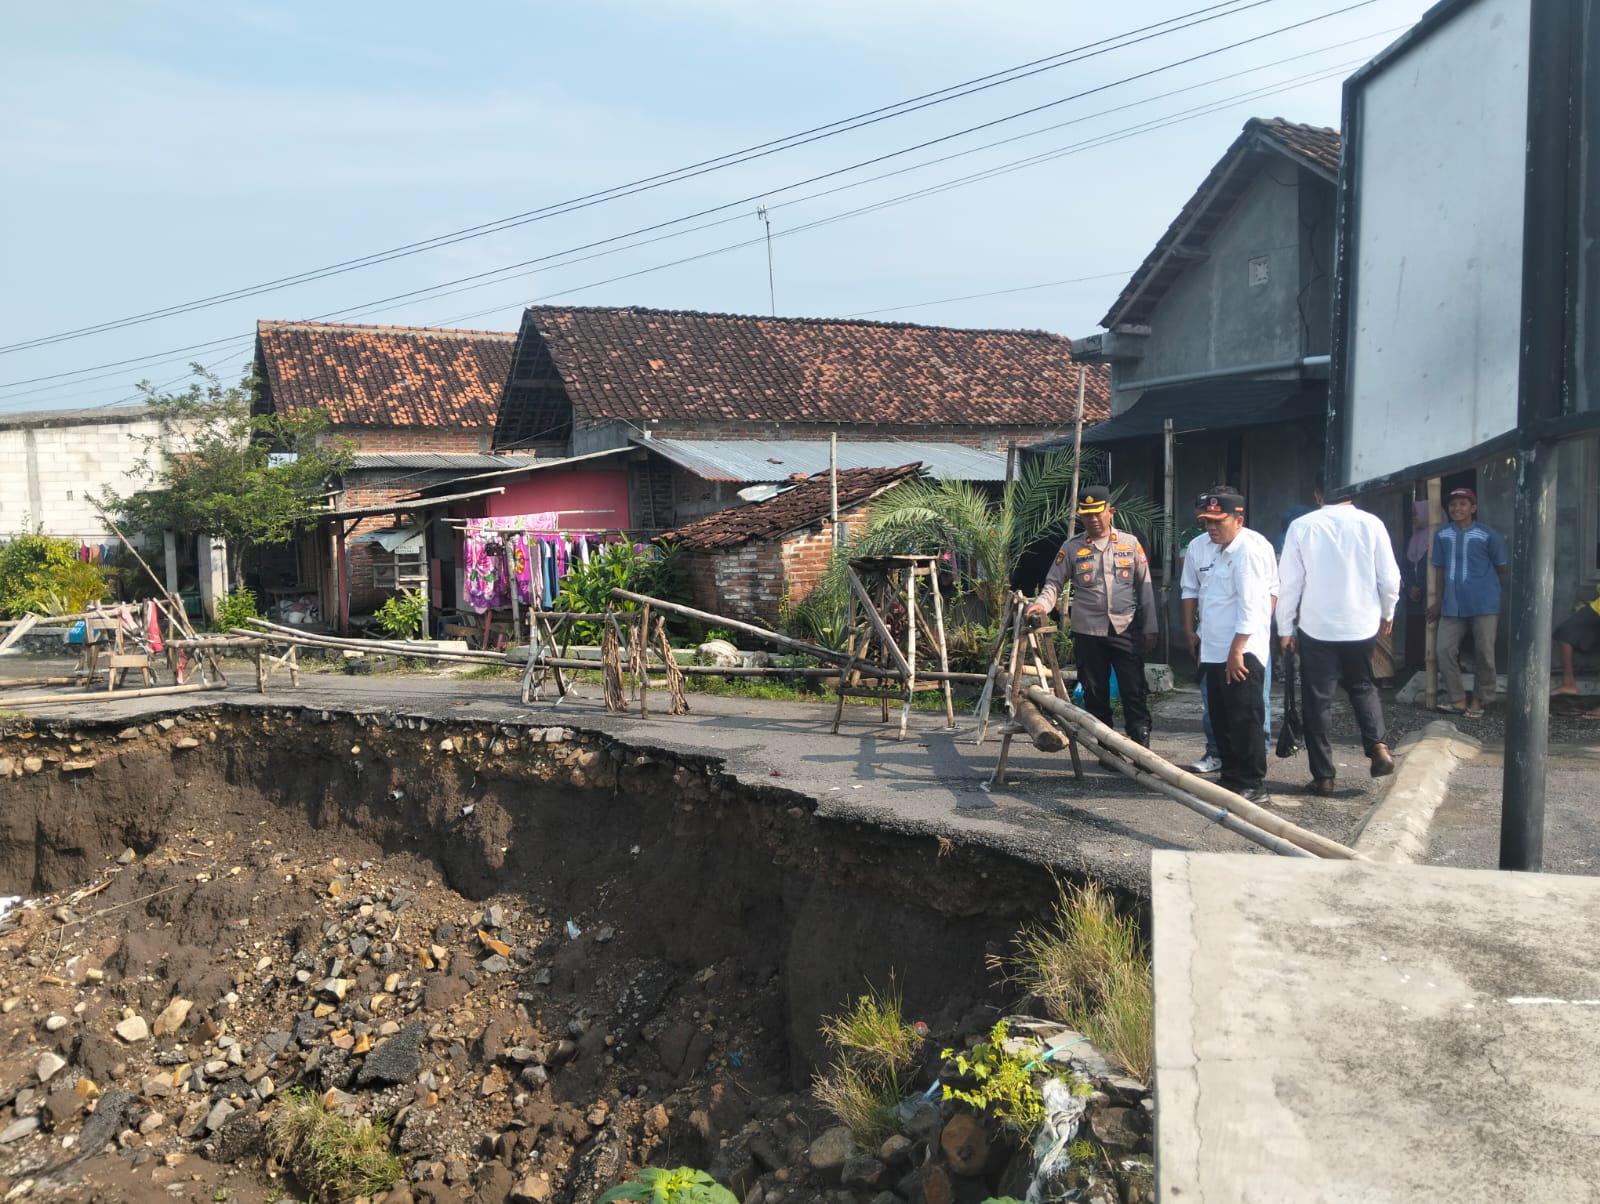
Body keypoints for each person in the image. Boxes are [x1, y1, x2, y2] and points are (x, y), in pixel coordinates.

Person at [1276, 479, 1402, 796]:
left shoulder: (1302, 526)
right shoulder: (1372, 523)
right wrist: (1388, 611)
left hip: (1317, 625)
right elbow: (1390, 577)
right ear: (1353, 491)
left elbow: (1289, 583)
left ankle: (1324, 777)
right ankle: (1378, 746)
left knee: (1317, 699)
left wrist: (1285, 628)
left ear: (1317, 494)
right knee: (1362, 685)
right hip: (1362, 623)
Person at [1029, 485, 1157, 746]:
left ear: (1111, 512)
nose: (1093, 520)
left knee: (1134, 690)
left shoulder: (1129, 544)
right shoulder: (1072, 547)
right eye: (1087, 515)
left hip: (1125, 628)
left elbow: (1145, 587)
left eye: (1098, 513)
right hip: (1088, 632)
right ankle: (1107, 749)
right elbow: (1053, 583)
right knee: (1095, 694)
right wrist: (1041, 605)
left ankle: (1141, 748)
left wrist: (1150, 627)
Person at [1180, 487, 1275, 773]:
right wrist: (1193, 633)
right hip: (1215, 647)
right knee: (1221, 715)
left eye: (1218, 521)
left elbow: (1253, 605)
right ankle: (1231, 775)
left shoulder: (1250, 550)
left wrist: (1239, 649)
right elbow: (1195, 593)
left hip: (1241, 651)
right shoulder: (1214, 549)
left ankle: (1251, 779)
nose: (1211, 527)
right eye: (1207, 521)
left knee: (1247, 716)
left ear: (1238, 520)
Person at [1428, 487, 1509, 717]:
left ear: (1474, 508)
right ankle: (1458, 699)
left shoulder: (1487, 535)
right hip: (1452, 603)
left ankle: (1481, 700)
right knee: (1444, 650)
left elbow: (1501, 567)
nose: (1457, 508)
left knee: (1484, 652)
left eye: (1463, 504)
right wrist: (1437, 601)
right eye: (1453, 504)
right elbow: (1439, 569)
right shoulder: (1442, 534)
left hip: (1484, 602)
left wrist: (1479, 581)